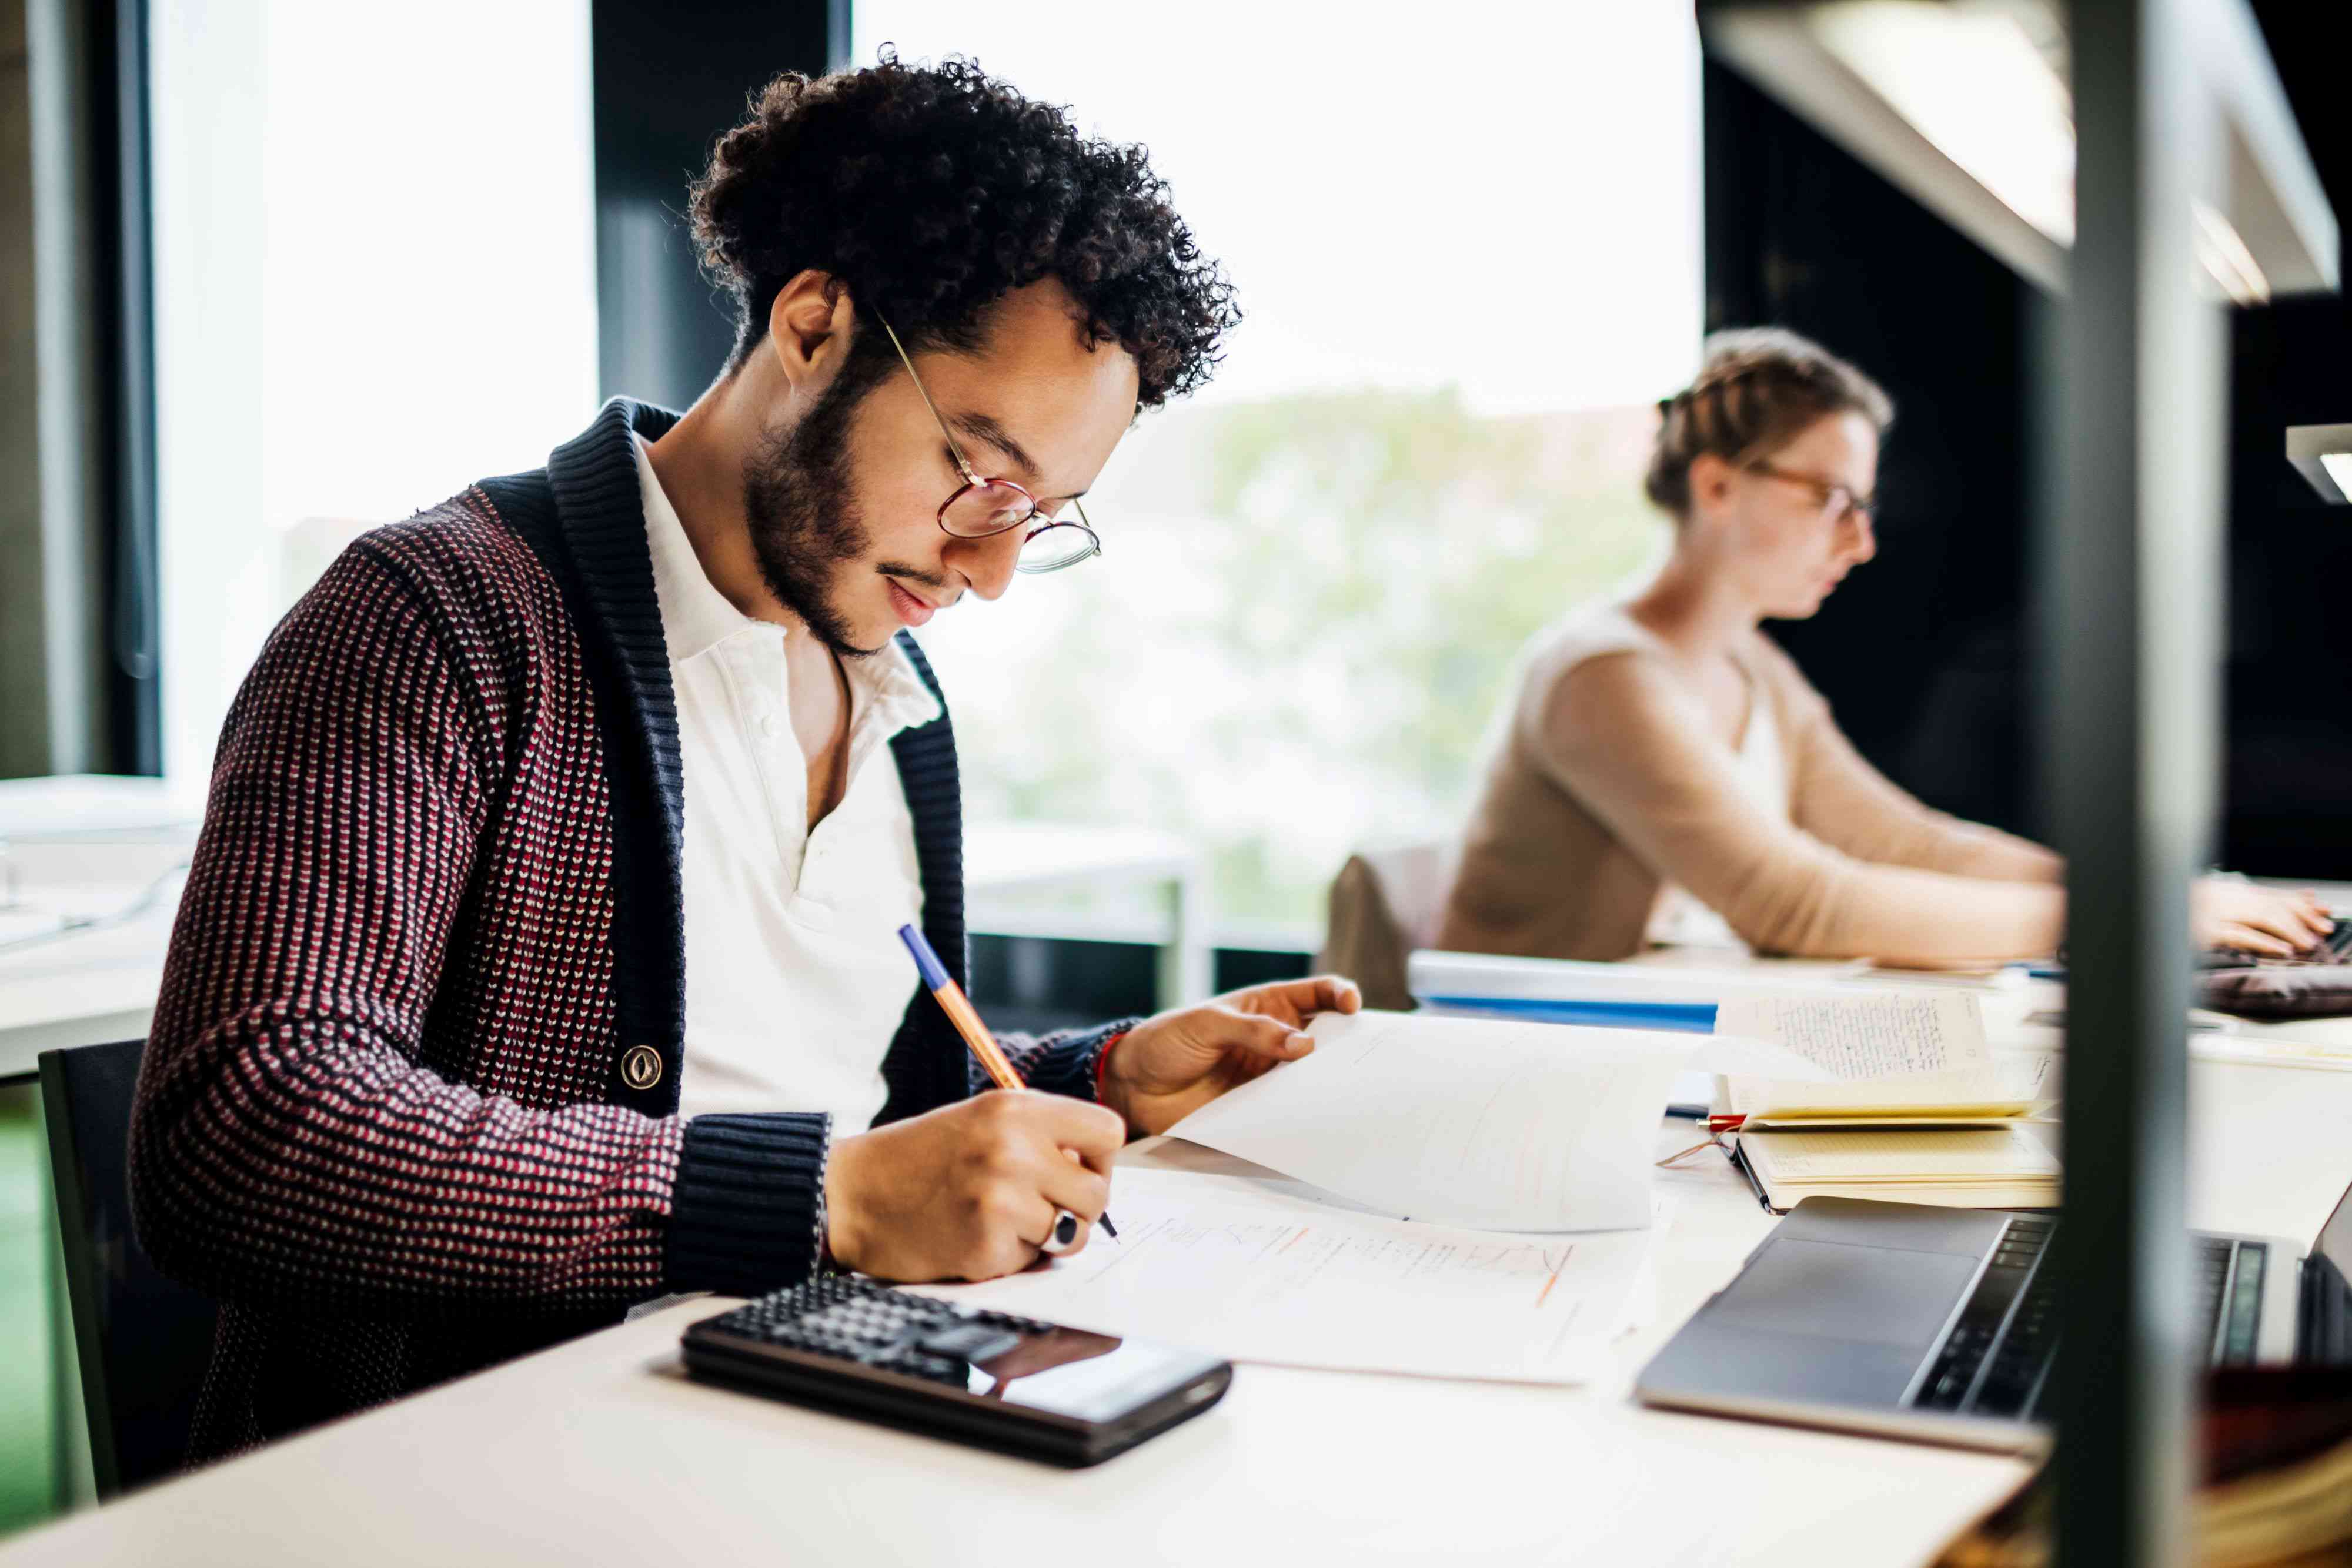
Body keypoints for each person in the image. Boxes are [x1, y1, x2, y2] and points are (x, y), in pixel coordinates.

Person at [130, 55, 1358, 1460]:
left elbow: (841, 1107)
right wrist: (817, 1200)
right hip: (471, 1475)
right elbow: (242, 1127)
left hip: (811, 1432)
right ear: (816, 323)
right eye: (980, 470)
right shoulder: (438, 620)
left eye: (1047, 514)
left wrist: (1095, 1075)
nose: (995, 567)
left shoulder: (896, 694)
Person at [1436, 326, 2328, 967]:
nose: (1861, 543)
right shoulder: (1603, 677)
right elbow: (1794, 902)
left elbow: (1904, 842)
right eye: (1834, 501)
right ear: (1717, 485)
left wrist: (2153, 890)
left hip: (1644, 1056)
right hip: (1535, 1072)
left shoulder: (1751, 668)